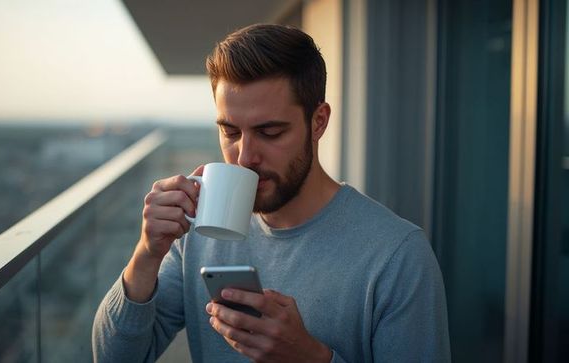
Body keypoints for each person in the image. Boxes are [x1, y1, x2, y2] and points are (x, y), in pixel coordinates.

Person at [92, 24, 450, 363]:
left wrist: (313, 358)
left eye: (270, 132)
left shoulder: (397, 256)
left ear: (319, 122)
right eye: (230, 131)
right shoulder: (199, 233)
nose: (245, 157)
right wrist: (147, 254)